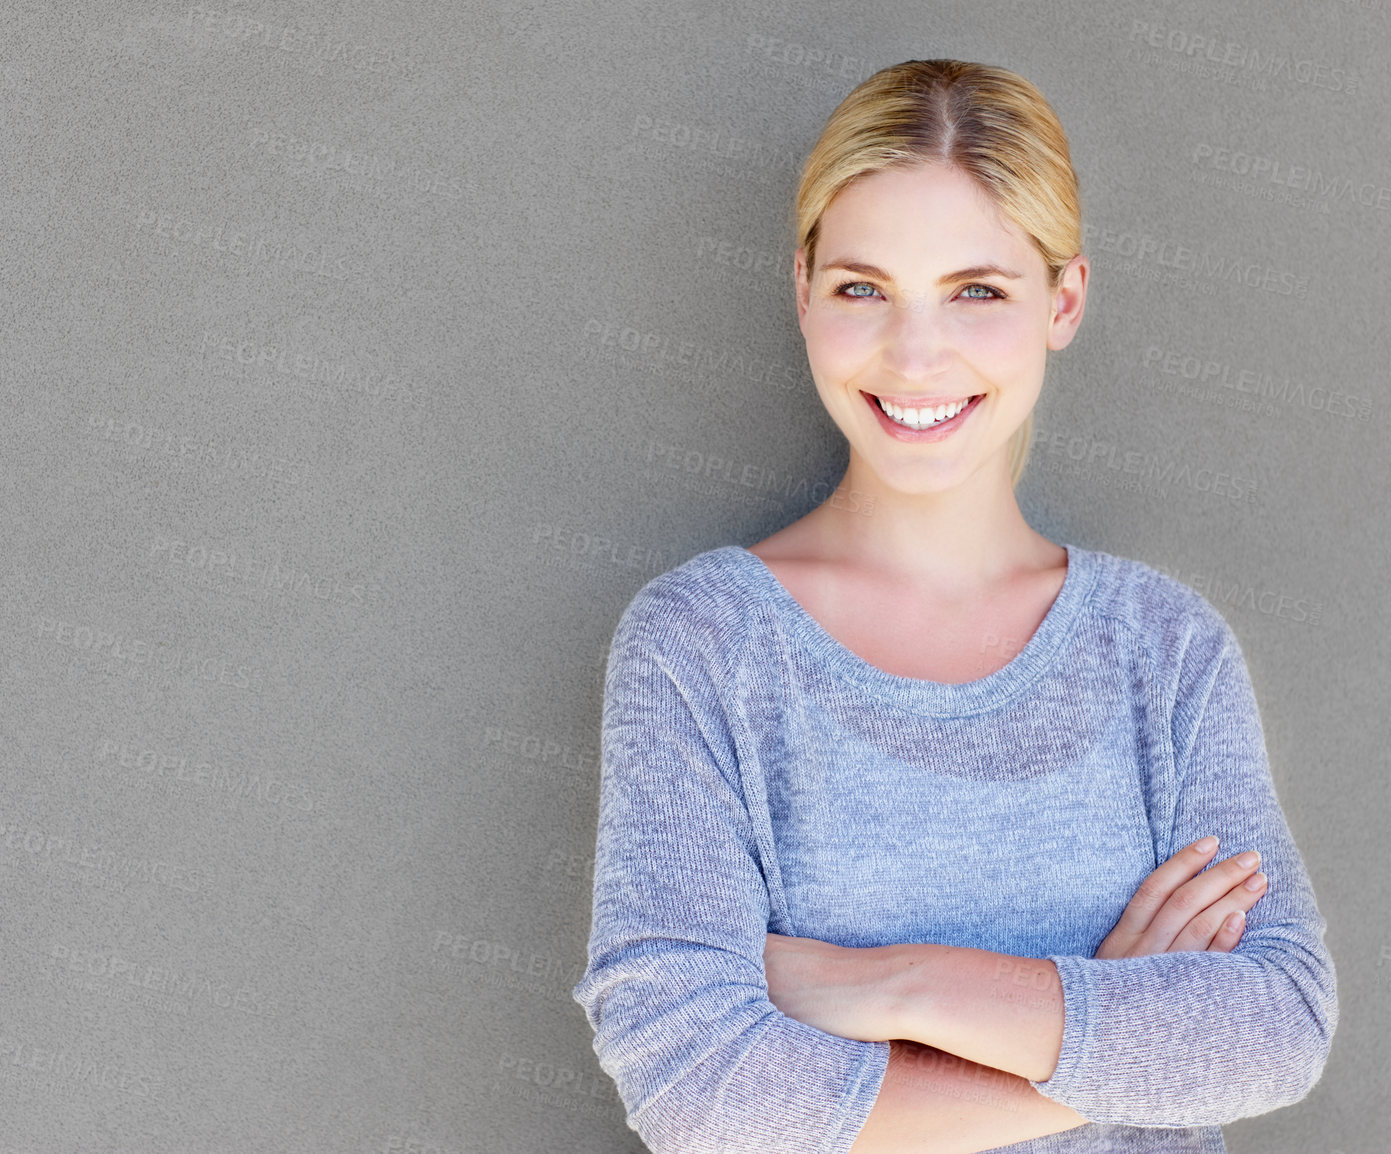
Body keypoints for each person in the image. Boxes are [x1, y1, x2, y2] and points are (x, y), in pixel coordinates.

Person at [572, 59, 1336, 1154]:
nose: (915, 351)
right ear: (802, 291)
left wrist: (894, 984)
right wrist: (1101, 1031)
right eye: (861, 287)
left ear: (1061, 300)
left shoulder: (1161, 649)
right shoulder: (700, 644)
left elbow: (1277, 1022)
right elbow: (697, 1083)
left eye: (976, 289)